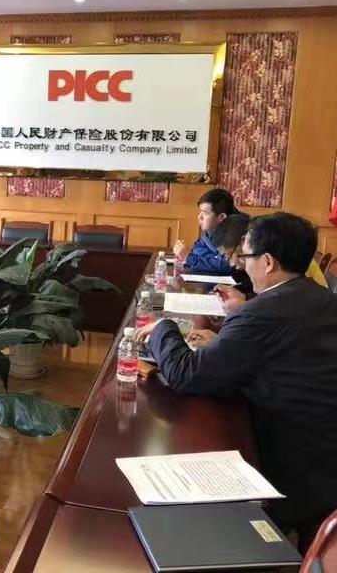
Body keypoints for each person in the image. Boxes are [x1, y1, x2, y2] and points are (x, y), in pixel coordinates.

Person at [137, 213, 337, 551]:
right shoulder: (323, 299)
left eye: (245, 257)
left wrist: (163, 329)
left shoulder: (262, 313)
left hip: (292, 466)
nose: (243, 266)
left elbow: (187, 374)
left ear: (268, 262)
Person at [211, 213, 328, 314]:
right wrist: (245, 297)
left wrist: (245, 308)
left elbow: (289, 306)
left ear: (244, 241)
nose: (231, 264)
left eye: (227, 256)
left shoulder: (287, 263)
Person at [173, 188, 241, 274]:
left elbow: (228, 265)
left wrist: (188, 257)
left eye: (205, 213)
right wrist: (214, 259)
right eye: (200, 212)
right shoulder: (211, 229)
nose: (199, 217)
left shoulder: (237, 231)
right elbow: (197, 249)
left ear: (221, 217)